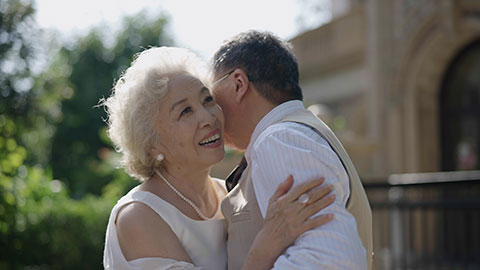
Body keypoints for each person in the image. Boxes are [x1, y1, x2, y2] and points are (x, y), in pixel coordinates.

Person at [102, 47, 336, 270]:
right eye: (185, 111)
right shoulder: (139, 216)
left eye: (207, 100)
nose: (208, 117)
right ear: (152, 144)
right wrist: (267, 245)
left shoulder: (229, 194)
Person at [210, 30, 374, 270]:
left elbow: (331, 262)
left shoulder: (279, 139)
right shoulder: (298, 133)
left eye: (211, 94)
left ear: (238, 84)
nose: (211, 111)